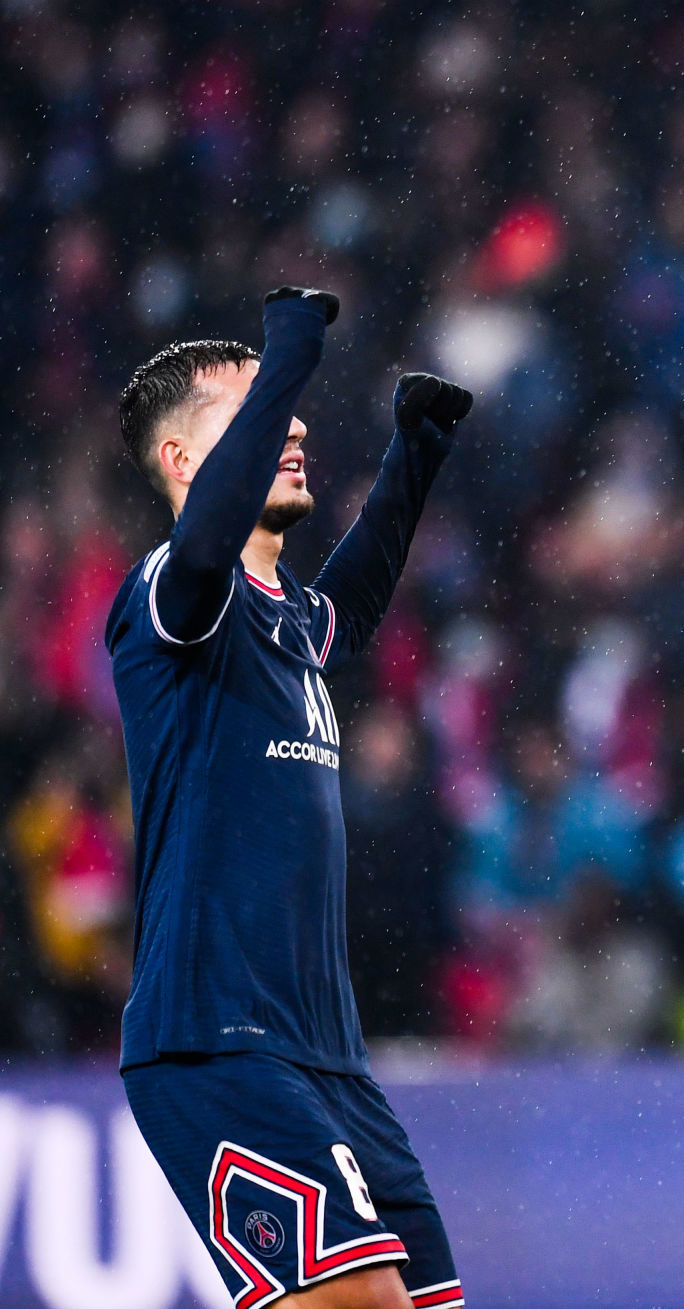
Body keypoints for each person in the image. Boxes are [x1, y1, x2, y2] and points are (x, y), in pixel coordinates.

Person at [106, 287, 473, 1309]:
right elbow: (206, 550)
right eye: (260, 408)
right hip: (216, 1040)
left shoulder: (289, 621)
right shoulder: (173, 593)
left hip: (329, 1058)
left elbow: (353, 603)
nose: (295, 423)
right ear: (184, 461)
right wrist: (290, 353)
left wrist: (415, 454)